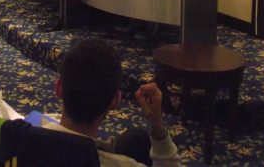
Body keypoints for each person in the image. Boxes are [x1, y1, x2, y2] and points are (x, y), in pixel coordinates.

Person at [46, 38, 180, 166]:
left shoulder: (36, 130)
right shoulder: (124, 165)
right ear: (115, 100)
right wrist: (156, 122)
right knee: (140, 141)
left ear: (58, 88)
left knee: (136, 138)